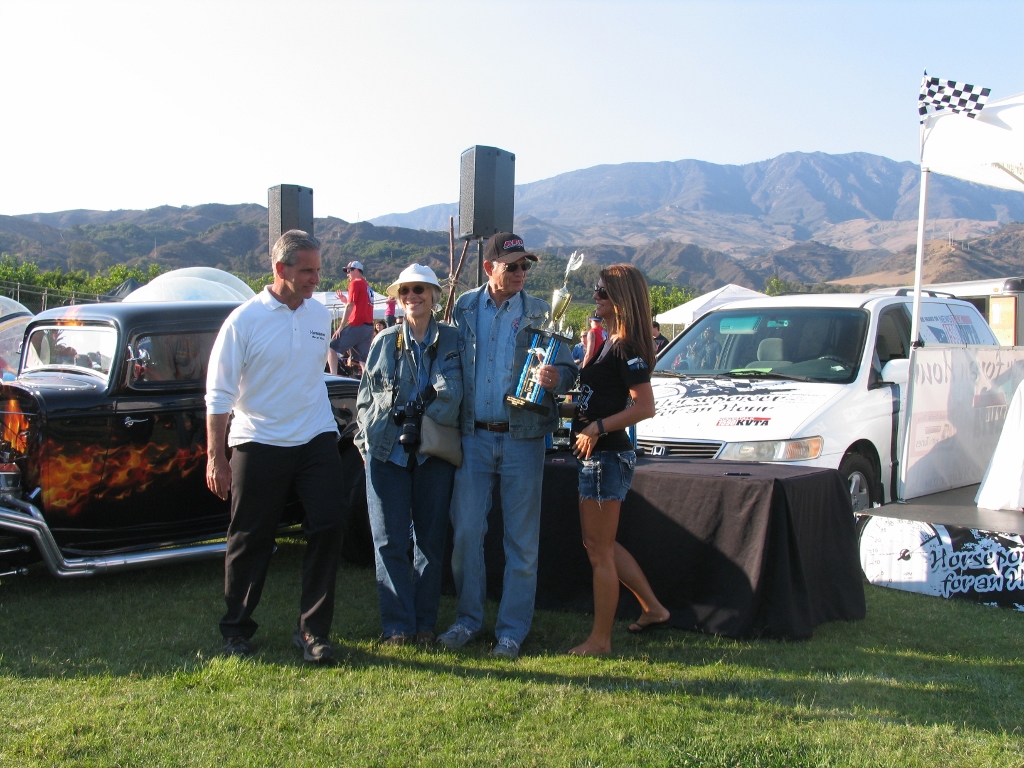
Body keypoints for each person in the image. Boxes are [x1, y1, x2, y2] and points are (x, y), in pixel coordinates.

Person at [206, 229, 345, 665]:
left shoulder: (319, 315)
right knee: (250, 537)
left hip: (316, 435)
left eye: (318, 270)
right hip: (258, 439)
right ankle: (236, 629)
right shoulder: (243, 321)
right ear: (280, 268)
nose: (315, 279)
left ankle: (312, 631)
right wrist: (216, 457)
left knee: (328, 524)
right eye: (307, 271)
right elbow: (218, 394)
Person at [438, 232, 578, 660]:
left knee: (521, 542)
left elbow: (569, 371)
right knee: (466, 535)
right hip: (473, 436)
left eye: (525, 267)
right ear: (489, 268)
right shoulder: (463, 308)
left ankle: (512, 632)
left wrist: (557, 379)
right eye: (512, 266)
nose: (520, 273)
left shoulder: (543, 312)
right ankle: (468, 620)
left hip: (524, 438)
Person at [567, 264, 670, 656]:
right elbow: (599, 399)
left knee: (599, 551)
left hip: (606, 456)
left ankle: (600, 640)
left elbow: (645, 407)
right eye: (597, 290)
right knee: (601, 545)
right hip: (599, 455)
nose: (595, 296)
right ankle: (653, 608)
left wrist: (597, 428)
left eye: (603, 291)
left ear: (621, 299)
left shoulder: (625, 346)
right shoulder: (610, 342)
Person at [357, 264, 462, 645]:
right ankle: (397, 626)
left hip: (435, 453)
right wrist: (364, 443)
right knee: (389, 540)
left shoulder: (454, 341)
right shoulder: (384, 341)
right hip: (387, 451)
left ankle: (424, 623)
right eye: (405, 291)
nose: (412, 297)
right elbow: (365, 398)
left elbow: (463, 395)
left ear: (434, 295)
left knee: (430, 543)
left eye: (419, 289)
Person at [329, 260, 374, 375]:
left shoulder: (355, 283)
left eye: (349, 271)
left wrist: (341, 327)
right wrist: (345, 301)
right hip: (368, 327)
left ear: (356, 270)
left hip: (357, 325)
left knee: (331, 347)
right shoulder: (366, 285)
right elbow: (358, 306)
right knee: (363, 360)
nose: (347, 274)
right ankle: (367, 383)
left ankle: (333, 376)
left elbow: (350, 306)